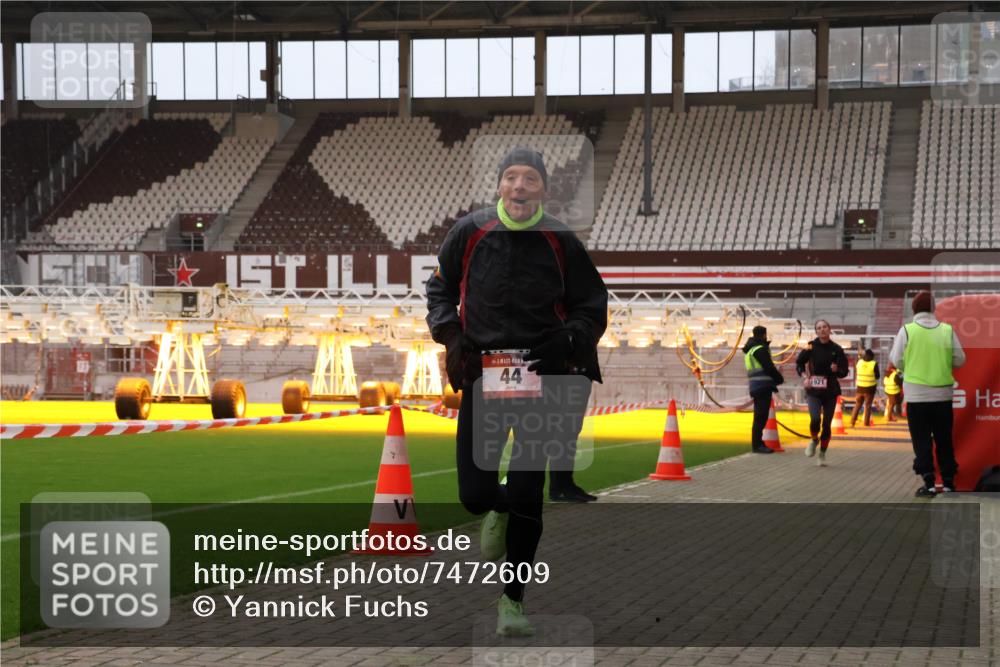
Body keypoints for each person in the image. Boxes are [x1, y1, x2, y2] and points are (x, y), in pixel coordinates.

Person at [426, 147, 608, 636]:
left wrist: (572, 337)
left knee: (529, 491)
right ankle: (497, 509)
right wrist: (451, 335)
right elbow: (439, 290)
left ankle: (512, 601)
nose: (520, 186)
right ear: (500, 186)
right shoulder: (470, 232)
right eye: (512, 177)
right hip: (486, 376)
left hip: (542, 378)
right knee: (474, 493)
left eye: (530, 178)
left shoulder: (561, 241)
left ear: (544, 189)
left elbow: (592, 302)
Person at [889, 290, 965, 497]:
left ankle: (929, 482)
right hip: (942, 395)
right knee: (944, 439)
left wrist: (910, 367)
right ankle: (948, 482)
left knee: (921, 440)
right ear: (934, 309)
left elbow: (896, 359)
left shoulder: (907, 330)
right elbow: (960, 359)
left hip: (916, 396)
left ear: (914, 309)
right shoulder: (947, 330)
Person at [795, 319, 849, 466]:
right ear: (816, 331)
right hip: (813, 390)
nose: (822, 330)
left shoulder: (837, 349)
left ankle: (822, 454)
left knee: (826, 424)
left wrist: (837, 369)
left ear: (829, 329)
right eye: (819, 328)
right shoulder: (810, 347)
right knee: (815, 420)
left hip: (830, 392)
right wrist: (805, 377)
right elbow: (799, 363)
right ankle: (813, 440)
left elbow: (845, 371)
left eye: (825, 327)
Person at [743, 325, 785, 454]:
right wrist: (779, 379)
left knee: (759, 417)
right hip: (762, 387)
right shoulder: (760, 349)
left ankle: (758, 444)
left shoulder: (750, 350)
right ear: (764, 335)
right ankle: (757, 445)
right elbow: (769, 367)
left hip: (756, 386)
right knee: (761, 417)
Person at [850, 348, 879, 427]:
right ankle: (866, 423)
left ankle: (852, 421)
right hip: (870, 389)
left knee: (858, 404)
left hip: (859, 388)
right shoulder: (874, 363)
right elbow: (877, 376)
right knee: (868, 405)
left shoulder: (859, 362)